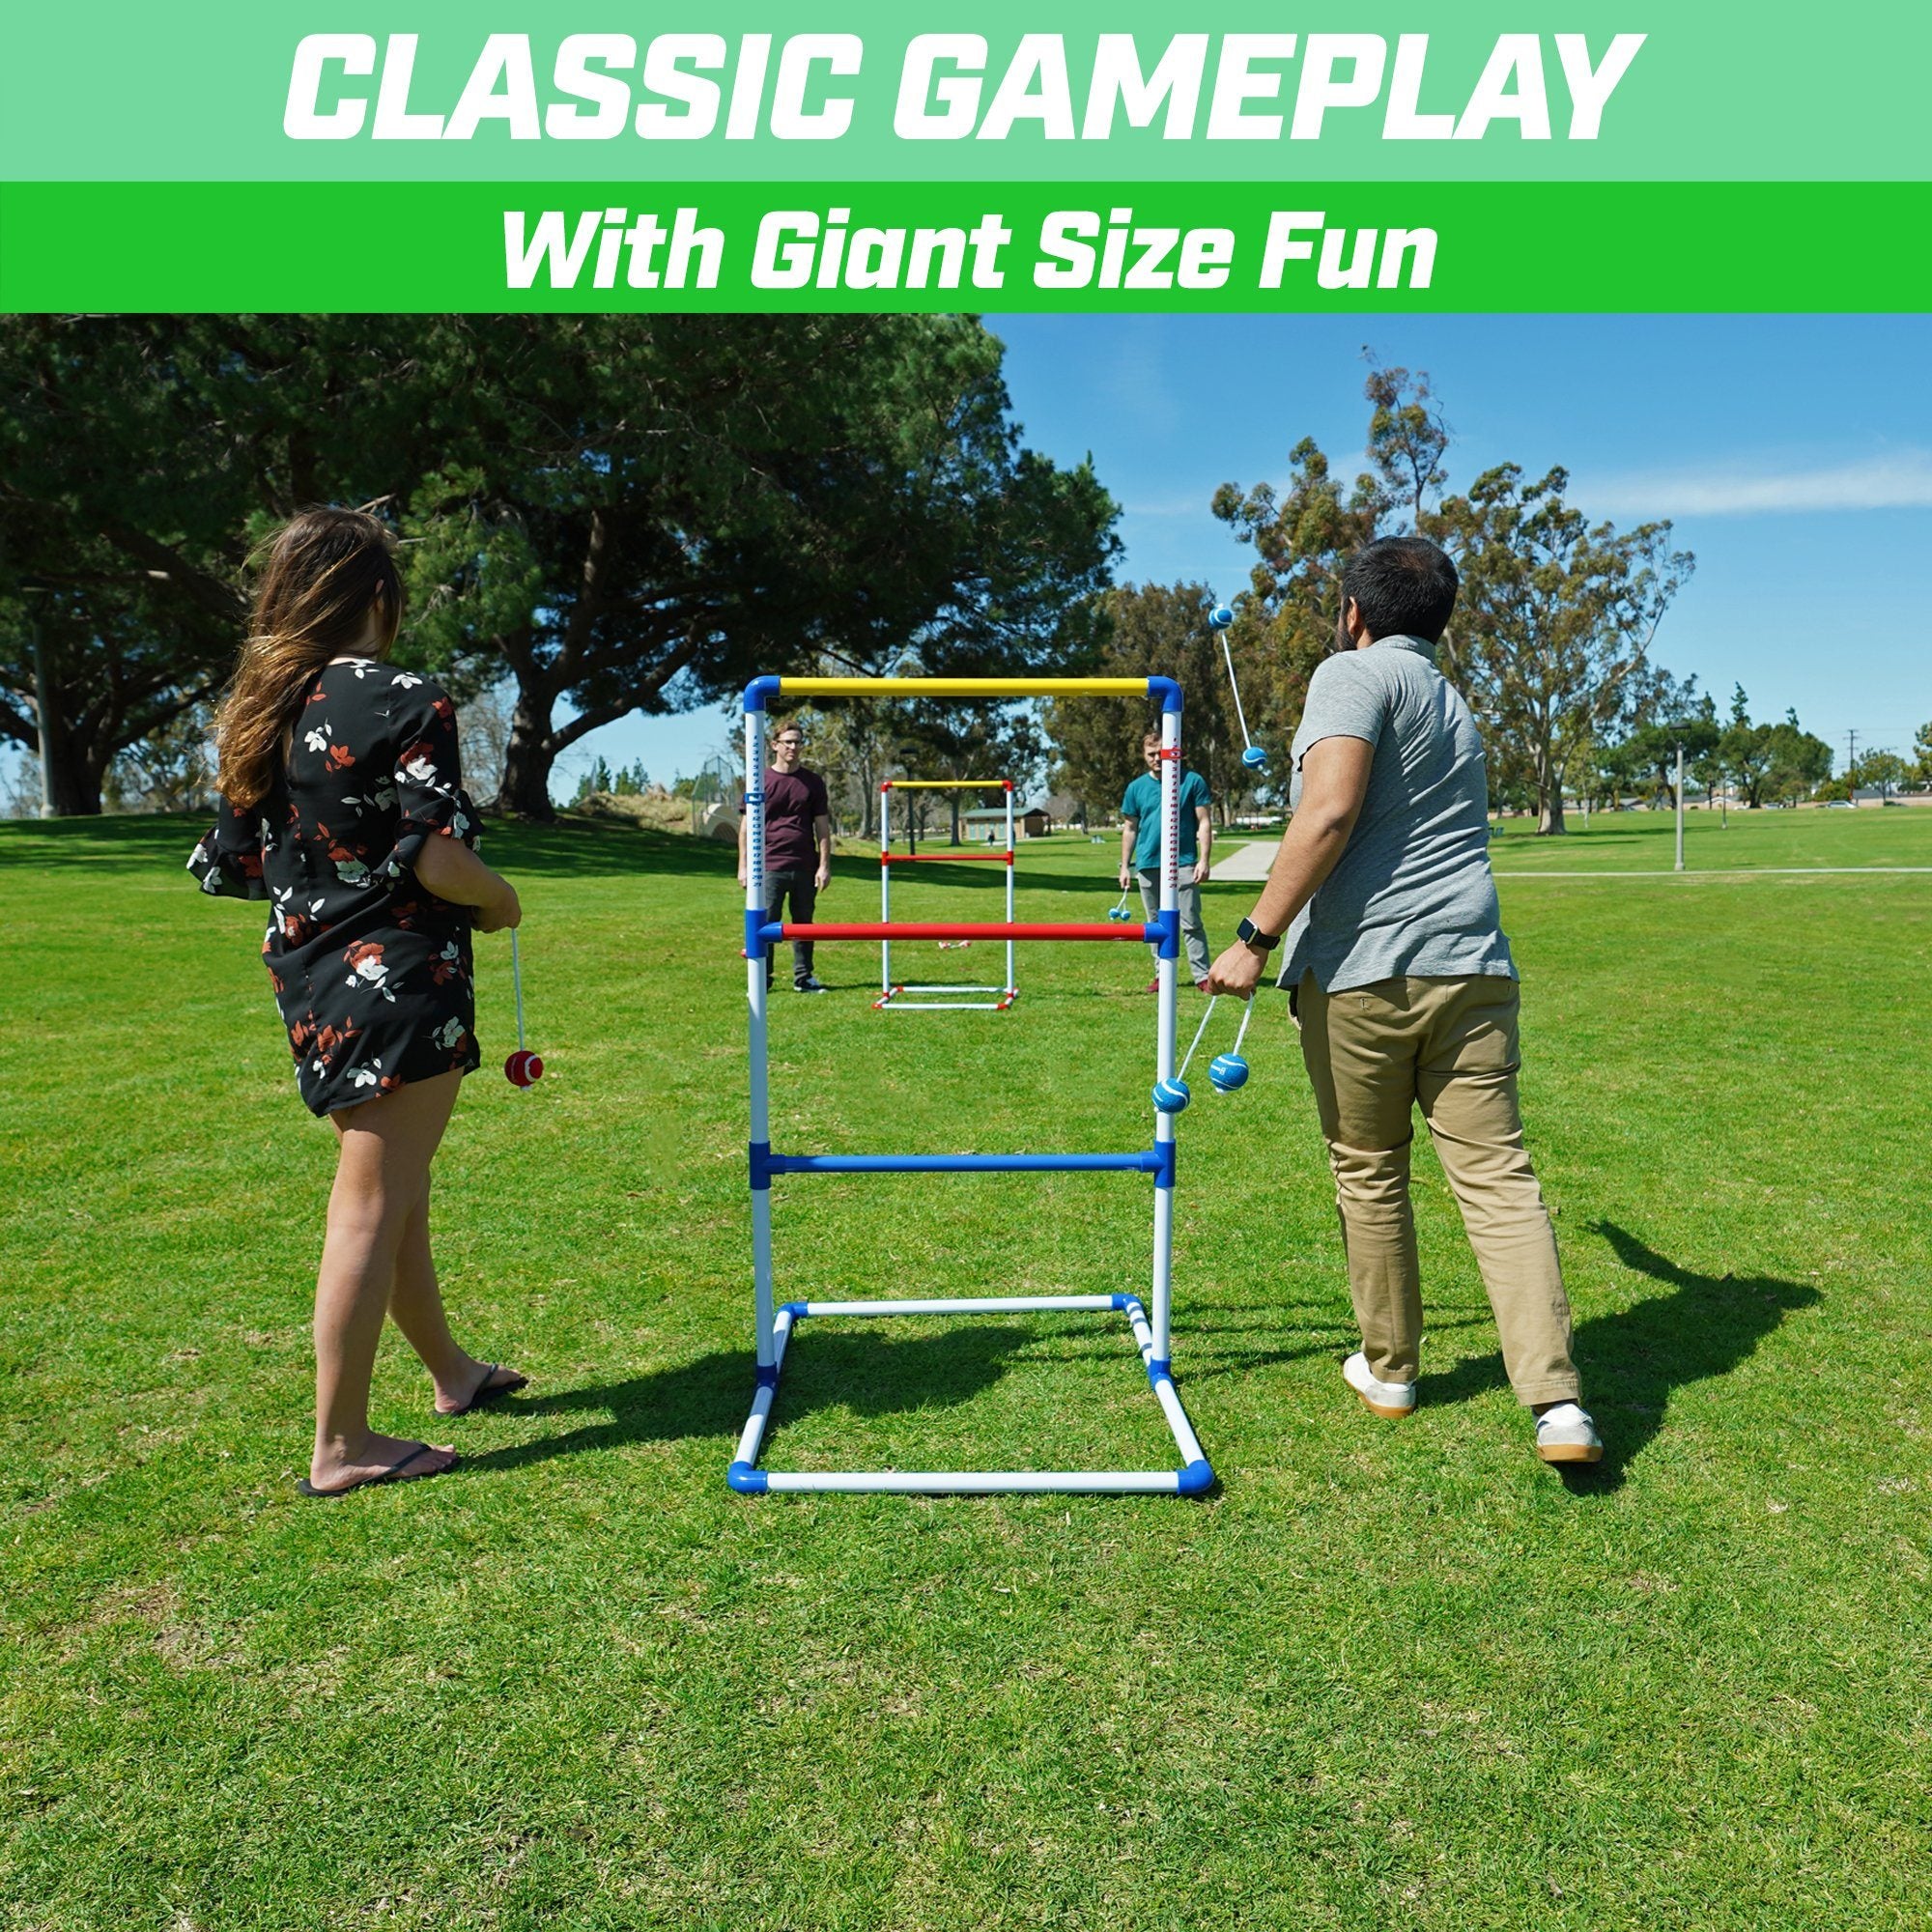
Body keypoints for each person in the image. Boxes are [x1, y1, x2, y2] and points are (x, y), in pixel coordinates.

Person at [1205, 535, 1601, 1466]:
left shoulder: (1350, 675)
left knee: (1370, 1169)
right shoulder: (1455, 702)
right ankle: (1558, 1407)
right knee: (1499, 1180)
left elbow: (1330, 810)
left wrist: (1255, 938)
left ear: (1354, 612)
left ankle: (1391, 1371)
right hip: (1475, 971)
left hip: (1367, 978)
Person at [187, 508, 527, 1497]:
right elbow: (437, 853)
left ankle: (452, 1374)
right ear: (379, 598)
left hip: (308, 980)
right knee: (373, 1201)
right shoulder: (408, 697)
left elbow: (235, 866)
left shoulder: (261, 709)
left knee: (394, 1192)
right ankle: (340, 1443)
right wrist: (500, 900)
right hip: (401, 980)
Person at [738, 718, 833, 994]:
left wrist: (824, 865)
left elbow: (822, 827)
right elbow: (744, 827)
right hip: (768, 865)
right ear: (774, 745)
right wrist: (743, 866)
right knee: (765, 924)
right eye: (788, 741)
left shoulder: (813, 782)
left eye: (798, 742)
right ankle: (761, 980)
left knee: (804, 924)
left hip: (804, 864)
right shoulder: (760, 780)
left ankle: (804, 978)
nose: (793, 746)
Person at [1120, 729, 1214, 992]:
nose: (1156, 759)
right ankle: (1162, 975)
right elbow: (1130, 828)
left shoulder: (1192, 781)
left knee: (1191, 922)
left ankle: (1202, 976)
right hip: (1148, 864)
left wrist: (1203, 860)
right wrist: (1125, 866)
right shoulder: (1136, 788)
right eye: (1151, 754)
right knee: (1154, 924)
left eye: (1160, 753)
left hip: (1183, 863)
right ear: (1144, 756)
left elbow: (1204, 822)